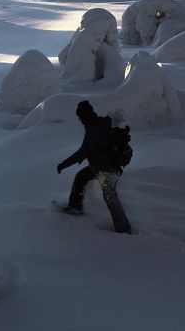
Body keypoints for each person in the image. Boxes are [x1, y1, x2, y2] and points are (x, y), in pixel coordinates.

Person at [56, 100, 132, 234]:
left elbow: (83, 152)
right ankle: (75, 207)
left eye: (80, 117)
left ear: (84, 116)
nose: (80, 121)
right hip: (102, 167)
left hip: (106, 170)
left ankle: (124, 228)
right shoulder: (101, 123)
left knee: (110, 197)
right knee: (81, 177)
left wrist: (64, 164)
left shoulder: (93, 129)